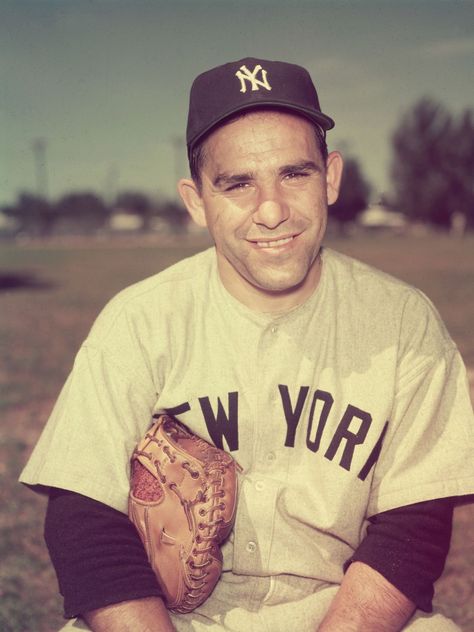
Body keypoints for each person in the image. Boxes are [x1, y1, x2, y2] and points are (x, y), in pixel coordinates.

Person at [20, 57, 474, 632]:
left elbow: (415, 526)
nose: (272, 210)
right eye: (238, 183)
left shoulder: (404, 321)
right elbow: (82, 515)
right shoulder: (137, 320)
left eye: (295, 174)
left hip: (344, 610)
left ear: (331, 177)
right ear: (196, 200)